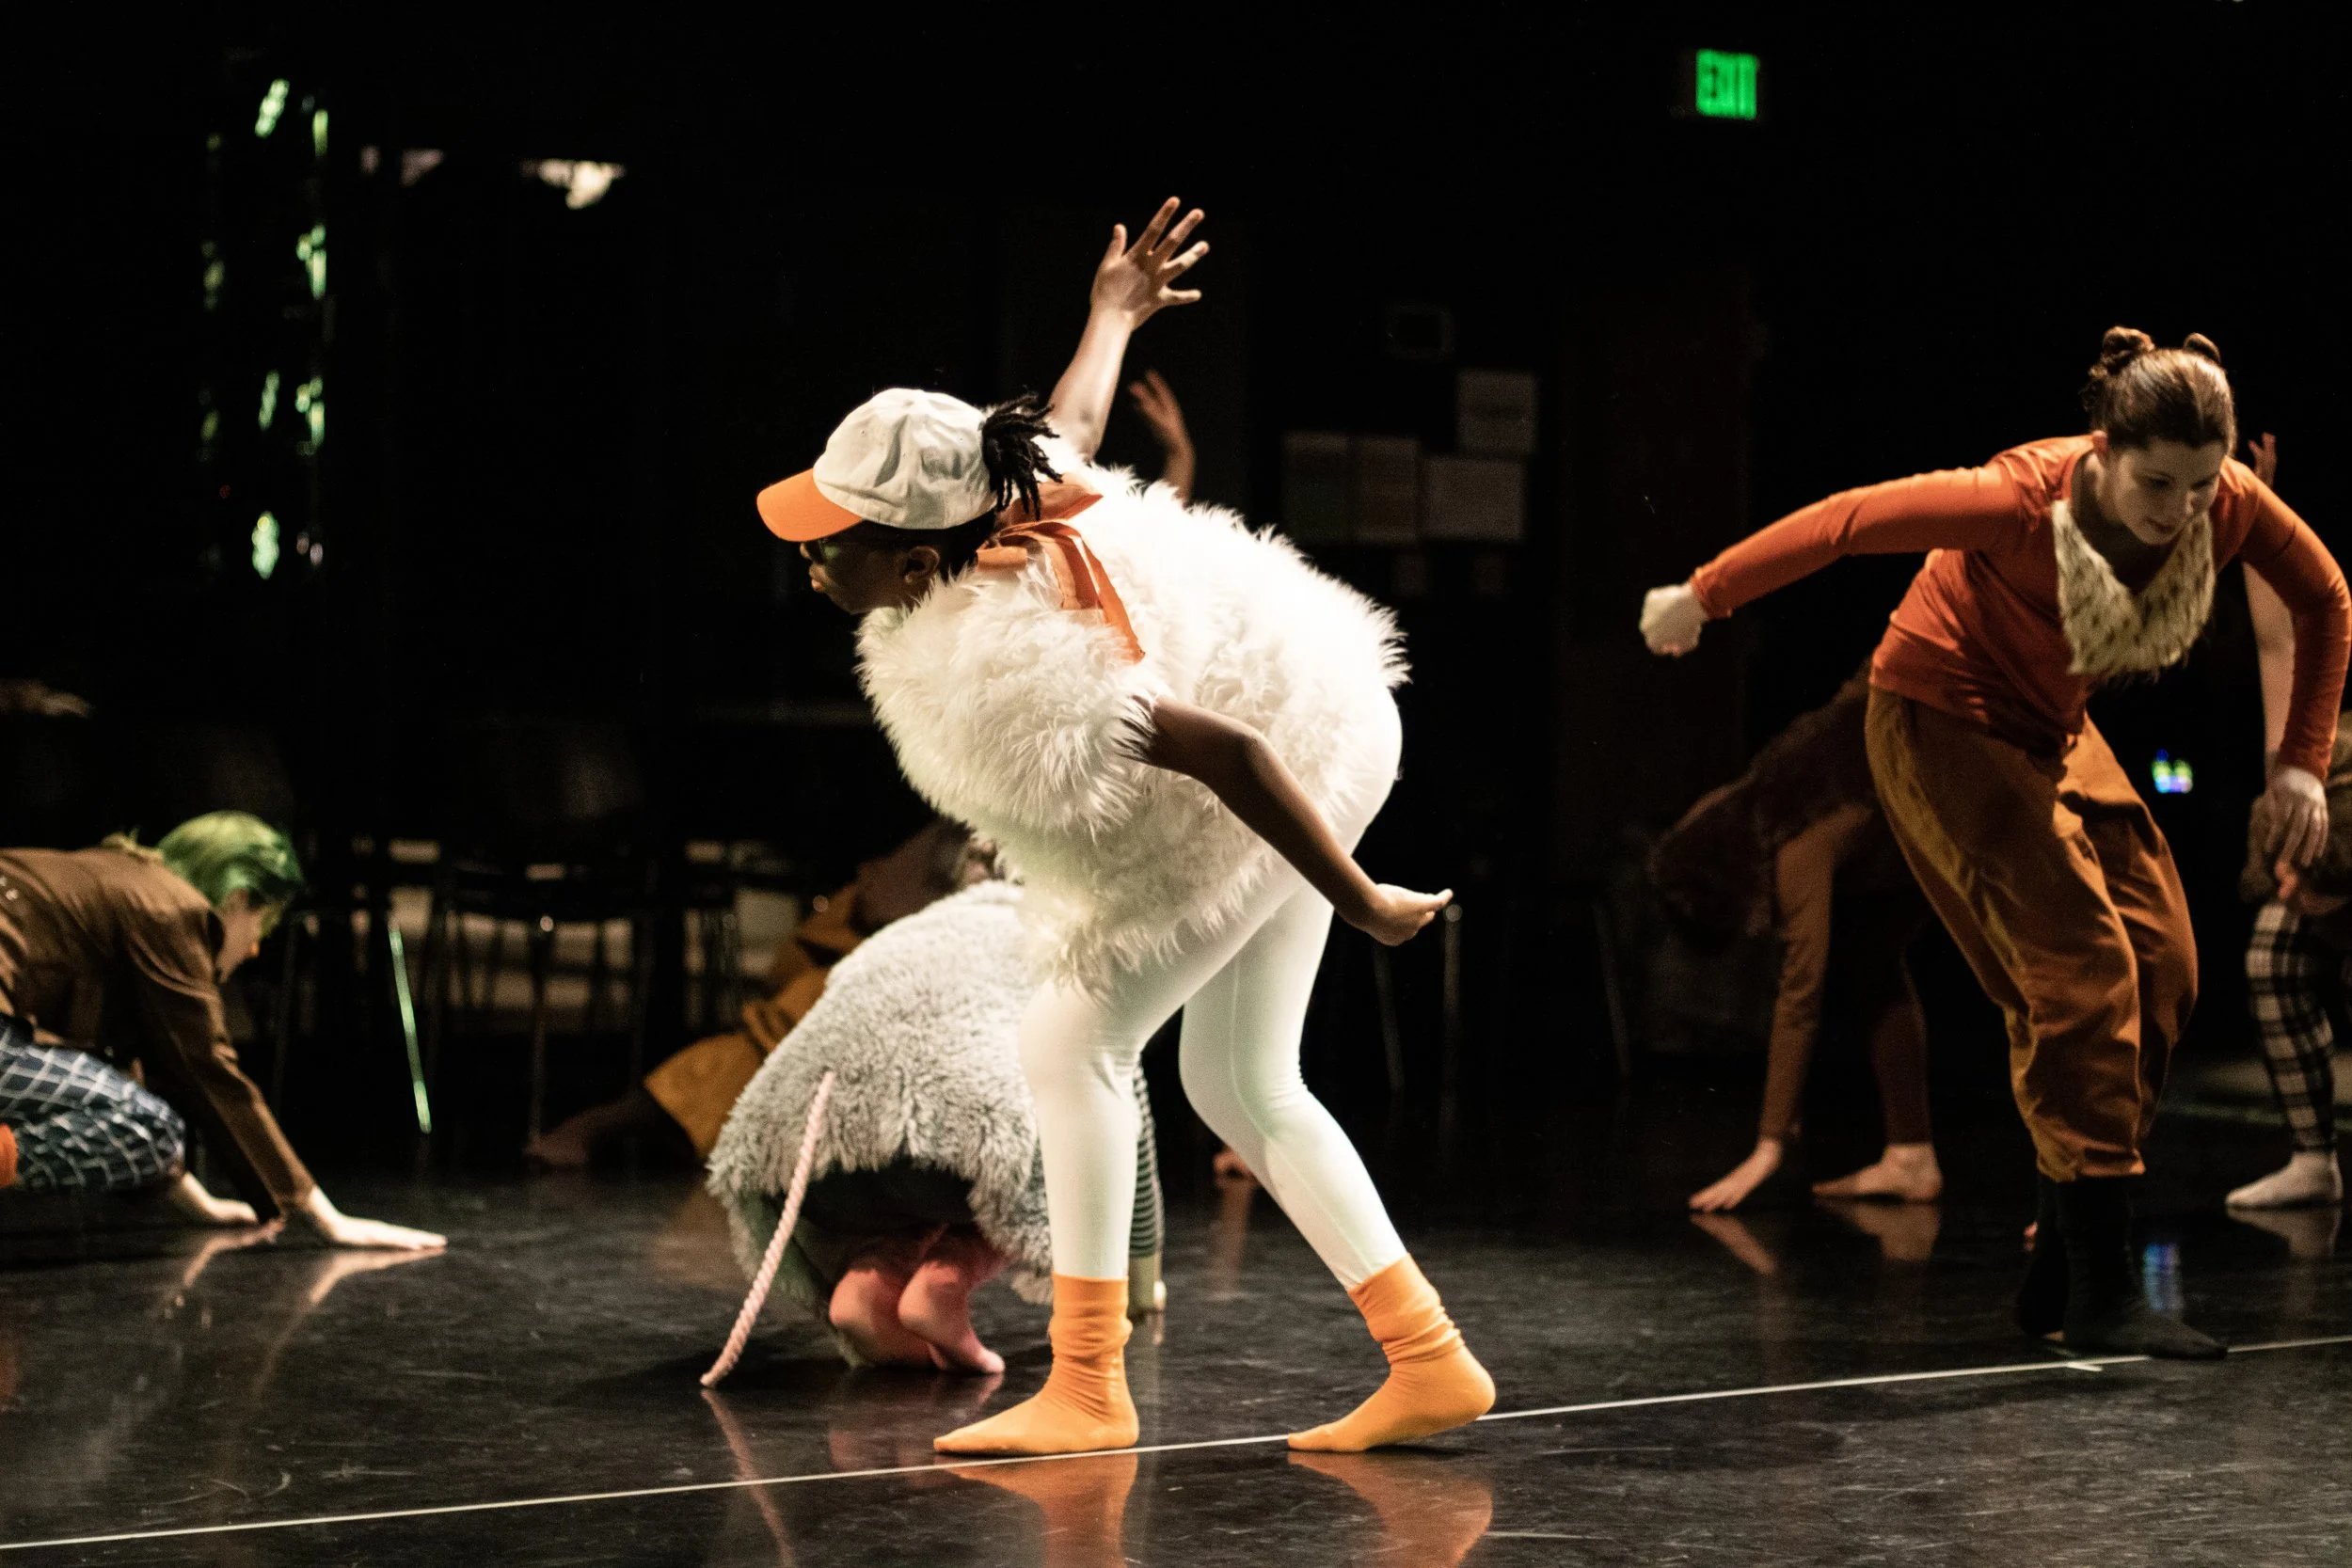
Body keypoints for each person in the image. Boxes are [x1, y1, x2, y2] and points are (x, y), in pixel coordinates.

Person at [756, 197, 1488, 1455]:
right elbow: (1070, 421)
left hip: (1292, 750)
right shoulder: (999, 491)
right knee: (1235, 1075)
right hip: (1320, 708)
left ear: (919, 560)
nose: (813, 560)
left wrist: (1358, 892)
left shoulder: (1017, 656)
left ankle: (1090, 1384)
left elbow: (1228, 752)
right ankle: (1428, 1358)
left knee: (1073, 1035)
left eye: (835, 541)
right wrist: (1111, 309)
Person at [1640, 327, 2350, 1357]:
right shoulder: (2014, 499)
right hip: (1940, 713)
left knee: (2166, 968)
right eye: (2158, 482)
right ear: (2101, 448)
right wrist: (1698, 597)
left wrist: (2297, 762)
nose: (2182, 510)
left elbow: (2324, 597)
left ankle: (2063, 1253)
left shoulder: (2222, 498)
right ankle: (2099, 1280)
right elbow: (1844, 522)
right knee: (2083, 970)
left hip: (2055, 726)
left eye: (2202, 485)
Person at [707, 878, 1166, 1374]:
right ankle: (945, 1280)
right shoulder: (1064, 941)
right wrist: (1141, 1284)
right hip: (951, 1135)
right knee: (1057, 1135)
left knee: (911, 1163)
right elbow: (1124, 1111)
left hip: (800, 1155)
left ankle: (869, 1282)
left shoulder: (908, 933)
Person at [0, 813, 445, 1248]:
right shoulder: (171, 910)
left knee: (136, 1118)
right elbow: (208, 1068)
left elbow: (116, 1072)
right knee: (152, 1124)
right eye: (262, 926)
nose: (253, 949)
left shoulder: (122, 884)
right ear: (236, 899)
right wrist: (324, 1217)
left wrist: (200, 1204)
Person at [524, 820, 976, 1168]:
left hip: (949, 980)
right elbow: (881, 900)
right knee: (778, 1033)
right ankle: (605, 1126)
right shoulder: (958, 819)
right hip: (886, 958)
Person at [1651, 672, 1940, 1212]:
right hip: (1907, 801)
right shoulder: (1745, 805)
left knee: (2023, 966)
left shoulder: (1790, 849)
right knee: (1875, 961)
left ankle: (2084, 1185)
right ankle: (1911, 1156)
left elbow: (1800, 996)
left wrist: (1768, 1144)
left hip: (1942, 771)